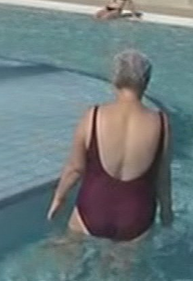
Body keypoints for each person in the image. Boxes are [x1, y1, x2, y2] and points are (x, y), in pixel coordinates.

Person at [47, 49, 173, 241]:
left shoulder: (94, 116)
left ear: (115, 79)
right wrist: (166, 213)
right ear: (146, 82)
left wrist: (59, 198)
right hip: (136, 217)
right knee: (123, 260)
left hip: (92, 209)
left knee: (67, 254)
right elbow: (162, 178)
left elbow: (75, 169)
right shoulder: (161, 123)